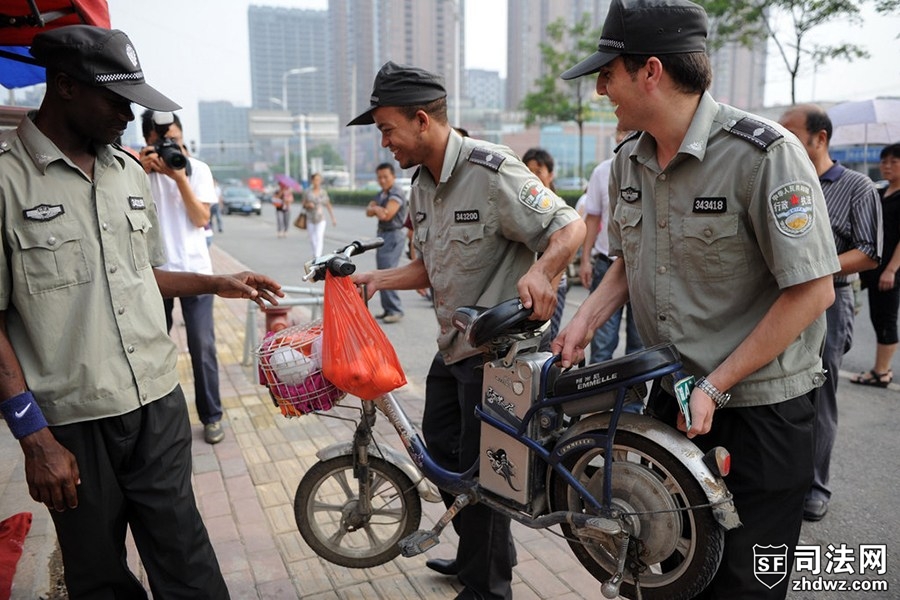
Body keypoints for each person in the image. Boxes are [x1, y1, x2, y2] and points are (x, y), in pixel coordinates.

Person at [553, 1, 840, 598]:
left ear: (650, 71)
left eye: (609, 73)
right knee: (667, 569)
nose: (601, 88)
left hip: (760, 409)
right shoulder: (628, 162)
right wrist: (584, 319)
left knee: (748, 580)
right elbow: (631, 262)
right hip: (673, 398)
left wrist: (718, 382)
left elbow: (812, 292)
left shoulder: (764, 155)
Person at [0, 25, 283, 598]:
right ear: (65, 87)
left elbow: (142, 273)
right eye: (117, 99)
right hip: (73, 423)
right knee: (99, 575)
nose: (130, 115)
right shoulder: (6, 181)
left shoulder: (128, 172)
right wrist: (34, 437)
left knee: (187, 560)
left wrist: (217, 281)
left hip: (157, 403)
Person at [348, 61, 584, 600]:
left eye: (387, 129)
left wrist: (541, 271)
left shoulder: (492, 170)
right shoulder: (421, 186)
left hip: (501, 356)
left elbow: (570, 226)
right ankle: (482, 551)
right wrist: (376, 279)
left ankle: (486, 586)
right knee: (445, 459)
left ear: (422, 120)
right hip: (454, 348)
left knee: (488, 476)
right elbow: (429, 268)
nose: (384, 142)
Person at [778, 104, 882, 522]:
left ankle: (816, 487)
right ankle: (783, 481)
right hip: (779, 302)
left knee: (820, 398)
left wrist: (812, 269)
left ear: (820, 138)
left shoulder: (857, 186)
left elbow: (869, 252)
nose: (782, 138)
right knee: (779, 395)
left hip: (831, 303)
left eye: (791, 132)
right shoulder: (783, 179)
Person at [140, 110, 228, 445]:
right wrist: (140, 169)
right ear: (148, 140)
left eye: (174, 139)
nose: (168, 146)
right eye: (162, 141)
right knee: (152, 348)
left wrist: (179, 178)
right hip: (154, 274)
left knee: (202, 346)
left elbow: (200, 218)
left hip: (195, 272)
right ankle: (157, 422)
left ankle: (212, 417)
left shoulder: (198, 170)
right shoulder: (135, 171)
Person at [580, 125, 643, 364]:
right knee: (601, 341)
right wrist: (586, 259)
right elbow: (592, 217)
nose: (621, 139)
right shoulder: (602, 172)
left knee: (638, 345)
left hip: (639, 267)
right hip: (607, 264)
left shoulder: (649, 171)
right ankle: (599, 398)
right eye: (619, 136)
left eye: (627, 135)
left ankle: (633, 403)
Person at [854, 143, 900, 388]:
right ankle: (881, 368)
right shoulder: (881, 192)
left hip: (889, 269)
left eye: (894, 161)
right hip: (871, 266)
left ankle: (881, 371)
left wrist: (892, 269)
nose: (887, 166)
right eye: (884, 162)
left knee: (885, 319)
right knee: (870, 314)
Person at [522, 147, 569, 346]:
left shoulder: (558, 207)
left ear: (550, 175)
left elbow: (564, 252)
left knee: (547, 340)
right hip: (528, 285)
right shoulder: (521, 205)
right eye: (528, 171)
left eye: (538, 172)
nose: (533, 177)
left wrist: (552, 290)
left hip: (552, 284)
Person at [366, 162, 408, 323]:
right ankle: (388, 308)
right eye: (379, 177)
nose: (382, 180)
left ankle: (395, 309)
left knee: (388, 273)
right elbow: (368, 211)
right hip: (383, 235)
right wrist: (377, 209)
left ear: (393, 176)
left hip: (393, 235)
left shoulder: (395, 193)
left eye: (385, 177)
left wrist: (376, 209)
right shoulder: (383, 193)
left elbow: (386, 215)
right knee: (382, 272)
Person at [301, 172, 337, 258]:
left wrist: (333, 218)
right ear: (312, 181)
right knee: (312, 239)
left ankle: (318, 256)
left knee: (319, 237)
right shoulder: (307, 192)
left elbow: (328, 205)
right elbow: (303, 204)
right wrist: (308, 205)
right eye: (315, 180)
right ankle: (315, 254)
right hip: (310, 218)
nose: (317, 181)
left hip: (320, 218)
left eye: (319, 180)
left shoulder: (323, 192)